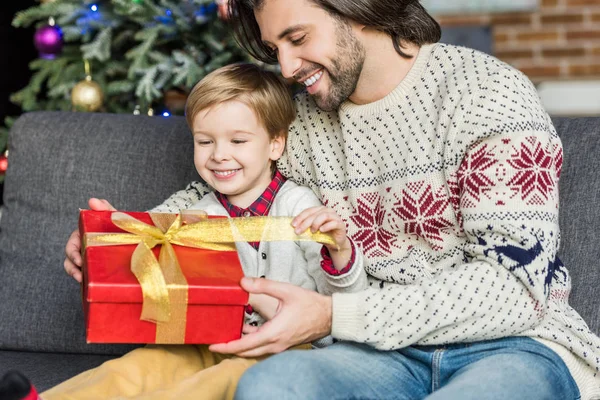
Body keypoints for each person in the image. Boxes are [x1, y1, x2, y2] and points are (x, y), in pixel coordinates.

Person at [63, 1, 600, 399]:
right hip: (375, 356)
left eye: (298, 38)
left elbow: (512, 288)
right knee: (270, 386)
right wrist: (125, 236)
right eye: (276, 50)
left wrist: (329, 314)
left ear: (359, 9)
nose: (288, 66)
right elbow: (223, 190)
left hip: (513, 345)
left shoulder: (485, 93)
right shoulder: (302, 122)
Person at [50, 63, 367, 400]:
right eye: (205, 141)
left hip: (288, 347)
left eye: (238, 140)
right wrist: (110, 237)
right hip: (209, 341)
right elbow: (151, 264)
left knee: (215, 383)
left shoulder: (299, 207)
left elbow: (342, 304)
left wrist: (340, 253)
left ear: (275, 145)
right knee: (139, 366)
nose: (219, 155)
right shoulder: (197, 215)